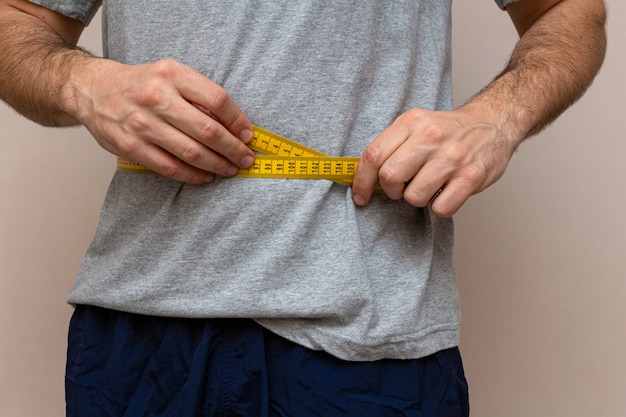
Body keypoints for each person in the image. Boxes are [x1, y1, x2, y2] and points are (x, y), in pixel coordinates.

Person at [0, 0, 606, 416]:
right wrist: (83, 84)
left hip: (367, 338)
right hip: (140, 335)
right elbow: (16, 20)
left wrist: (496, 119)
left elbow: (569, 10)